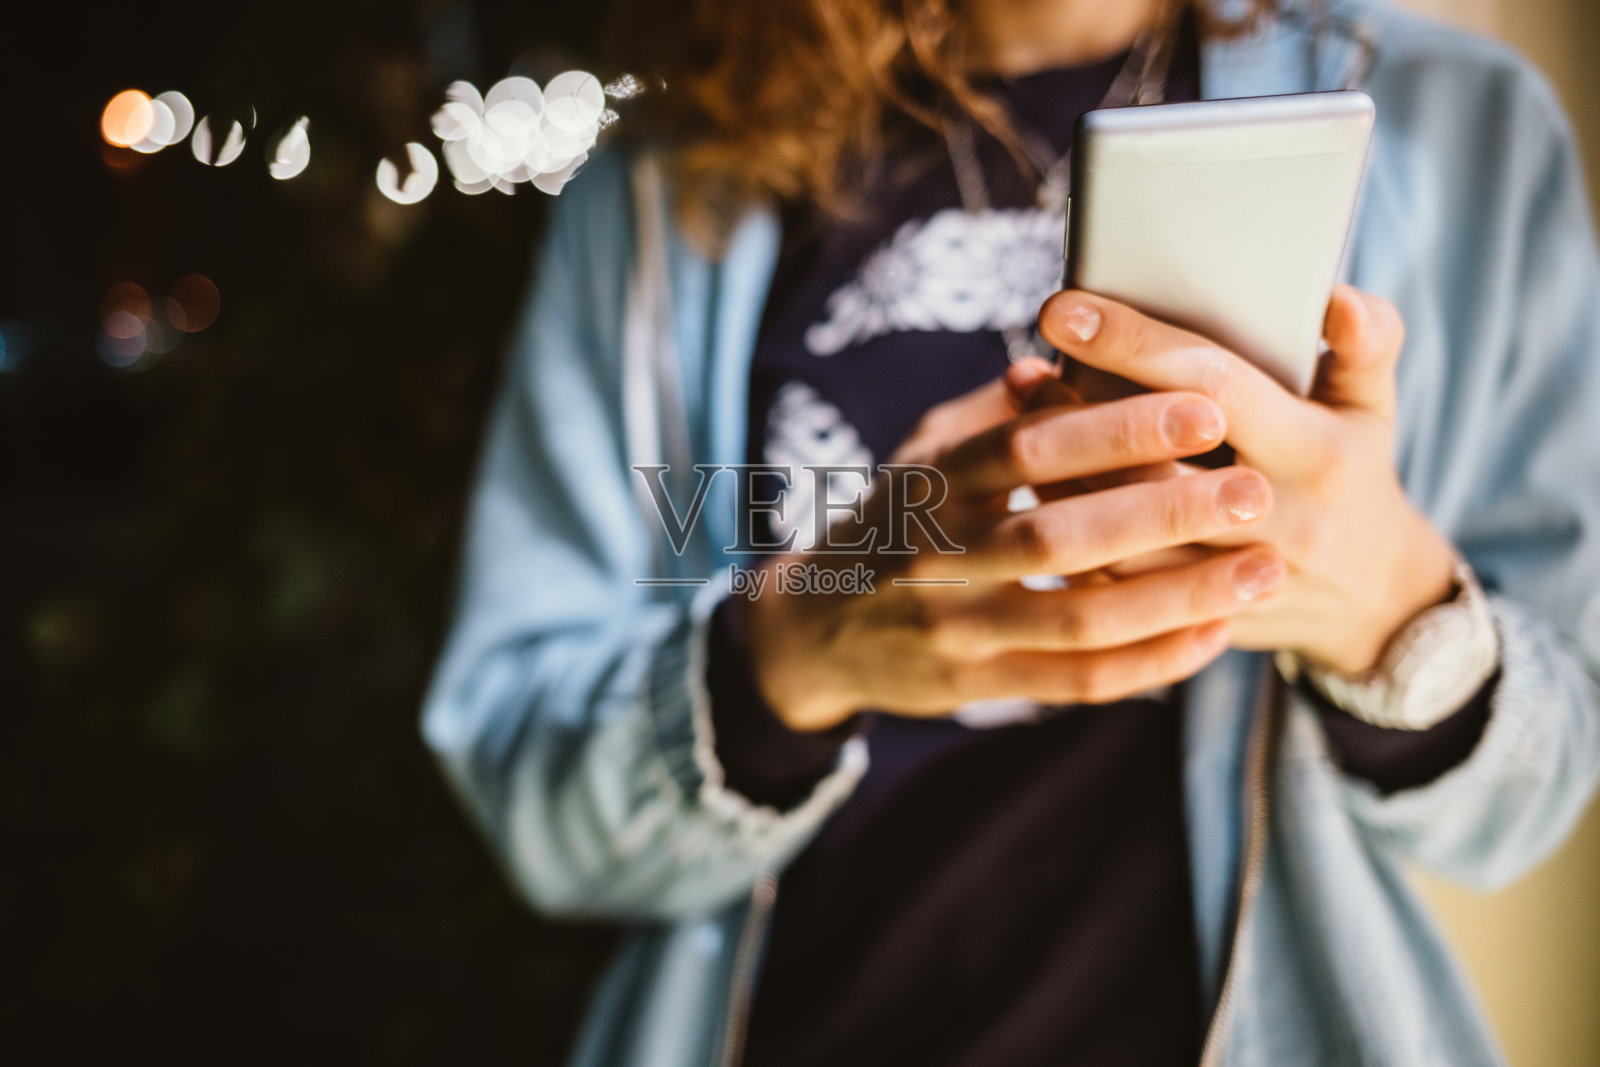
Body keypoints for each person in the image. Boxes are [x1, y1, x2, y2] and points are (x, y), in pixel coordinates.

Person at [422, 0, 1600, 1063]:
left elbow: (1527, 806)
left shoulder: (1458, 130)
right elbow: (539, 801)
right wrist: (791, 641)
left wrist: (1400, 612)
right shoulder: (659, 183)